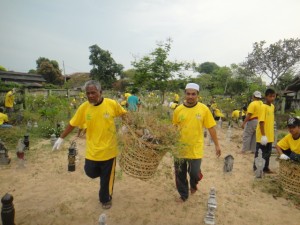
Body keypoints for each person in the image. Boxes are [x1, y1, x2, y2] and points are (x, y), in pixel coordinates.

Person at [52, 80, 127, 209]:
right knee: (90, 172)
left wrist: (126, 127)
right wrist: (61, 138)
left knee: (106, 179)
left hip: (109, 149)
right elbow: (73, 123)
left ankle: (105, 199)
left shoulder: (112, 104)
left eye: (93, 92)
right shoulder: (84, 107)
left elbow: (124, 114)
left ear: (100, 92)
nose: (91, 95)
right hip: (93, 150)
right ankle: (102, 175)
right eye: (88, 93)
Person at [172, 83, 221, 202]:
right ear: (185, 94)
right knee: (180, 174)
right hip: (180, 148)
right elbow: (174, 127)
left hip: (196, 147)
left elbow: (211, 128)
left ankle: (193, 185)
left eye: (193, 94)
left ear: (197, 95)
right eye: (188, 94)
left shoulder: (204, 109)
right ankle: (183, 195)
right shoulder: (178, 109)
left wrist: (217, 145)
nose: (190, 96)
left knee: (194, 173)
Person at [253, 89, 276, 173]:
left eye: (274, 96)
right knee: (260, 152)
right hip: (262, 135)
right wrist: (263, 135)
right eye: (270, 96)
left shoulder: (272, 106)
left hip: (269, 135)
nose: (272, 98)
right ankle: (256, 168)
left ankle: (266, 167)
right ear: (266, 96)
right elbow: (261, 122)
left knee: (268, 153)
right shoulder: (263, 107)